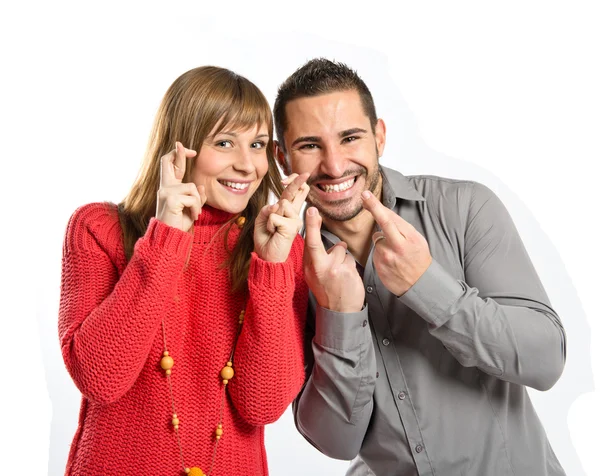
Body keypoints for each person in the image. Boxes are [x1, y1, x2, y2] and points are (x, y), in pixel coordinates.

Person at [273, 58, 567, 476]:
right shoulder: (280, 267)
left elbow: (545, 360)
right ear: (282, 158)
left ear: (379, 136)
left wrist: (427, 286)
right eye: (309, 145)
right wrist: (338, 317)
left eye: (350, 137)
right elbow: (335, 442)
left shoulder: (465, 209)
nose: (335, 166)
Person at [58, 66, 310, 476]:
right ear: (181, 146)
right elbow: (99, 378)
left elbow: (263, 404)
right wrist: (166, 240)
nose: (248, 165)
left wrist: (272, 269)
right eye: (225, 142)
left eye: (258, 144)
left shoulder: (278, 249)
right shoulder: (97, 229)